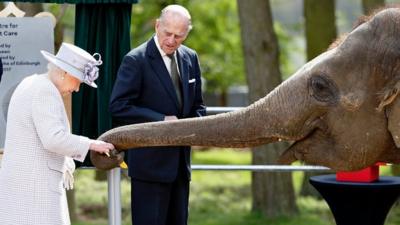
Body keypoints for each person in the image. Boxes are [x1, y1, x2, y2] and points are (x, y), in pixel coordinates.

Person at [109, 4, 206, 225]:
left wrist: (198, 130)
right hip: (149, 169)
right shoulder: (136, 60)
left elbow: (198, 106)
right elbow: (118, 106)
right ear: (157, 26)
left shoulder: (191, 58)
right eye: (167, 33)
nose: (171, 40)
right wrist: (161, 120)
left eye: (178, 36)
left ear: (186, 34)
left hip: (181, 168)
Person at [0, 42, 114, 225]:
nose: (77, 89)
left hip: (24, 189)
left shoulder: (31, 82)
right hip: (35, 190)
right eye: (79, 81)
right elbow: (53, 139)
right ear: (65, 72)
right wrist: (92, 144)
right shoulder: (45, 90)